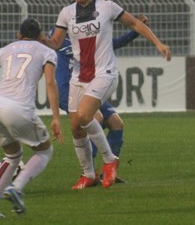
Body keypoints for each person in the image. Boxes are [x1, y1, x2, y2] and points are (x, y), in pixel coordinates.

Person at [40, 0, 171, 190]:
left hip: (104, 74)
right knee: (75, 126)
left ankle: (109, 160)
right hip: (78, 77)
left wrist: (158, 43)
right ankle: (88, 174)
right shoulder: (66, 13)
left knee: (83, 116)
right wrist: (41, 39)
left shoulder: (107, 7)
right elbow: (56, 43)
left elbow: (134, 24)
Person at [0, 18, 63, 218]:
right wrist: (56, 117)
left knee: (13, 156)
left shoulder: (6, 49)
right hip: (18, 108)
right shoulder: (47, 51)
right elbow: (50, 82)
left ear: (18, 34)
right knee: (44, 152)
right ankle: (16, 187)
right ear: (40, 36)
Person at [49, 14, 149, 184]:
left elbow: (114, 44)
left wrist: (135, 31)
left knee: (116, 123)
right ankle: (89, 173)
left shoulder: (90, 37)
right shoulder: (57, 38)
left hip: (88, 87)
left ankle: (108, 172)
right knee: (97, 119)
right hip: (68, 90)